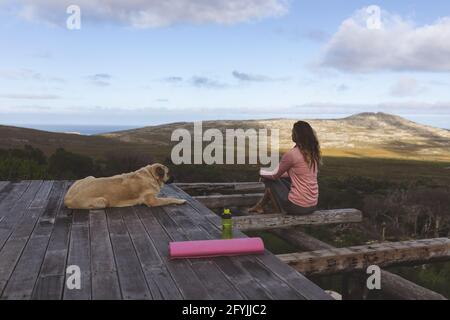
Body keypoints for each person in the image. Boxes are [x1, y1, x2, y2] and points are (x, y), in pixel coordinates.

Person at [249, 121, 321, 215]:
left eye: (293, 132)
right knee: (280, 178)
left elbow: (274, 175)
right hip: (312, 205)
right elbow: (295, 174)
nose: (291, 134)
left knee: (270, 180)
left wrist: (261, 172)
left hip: (297, 207)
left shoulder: (292, 154)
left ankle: (279, 212)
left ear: (297, 135)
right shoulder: (313, 153)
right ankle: (260, 206)